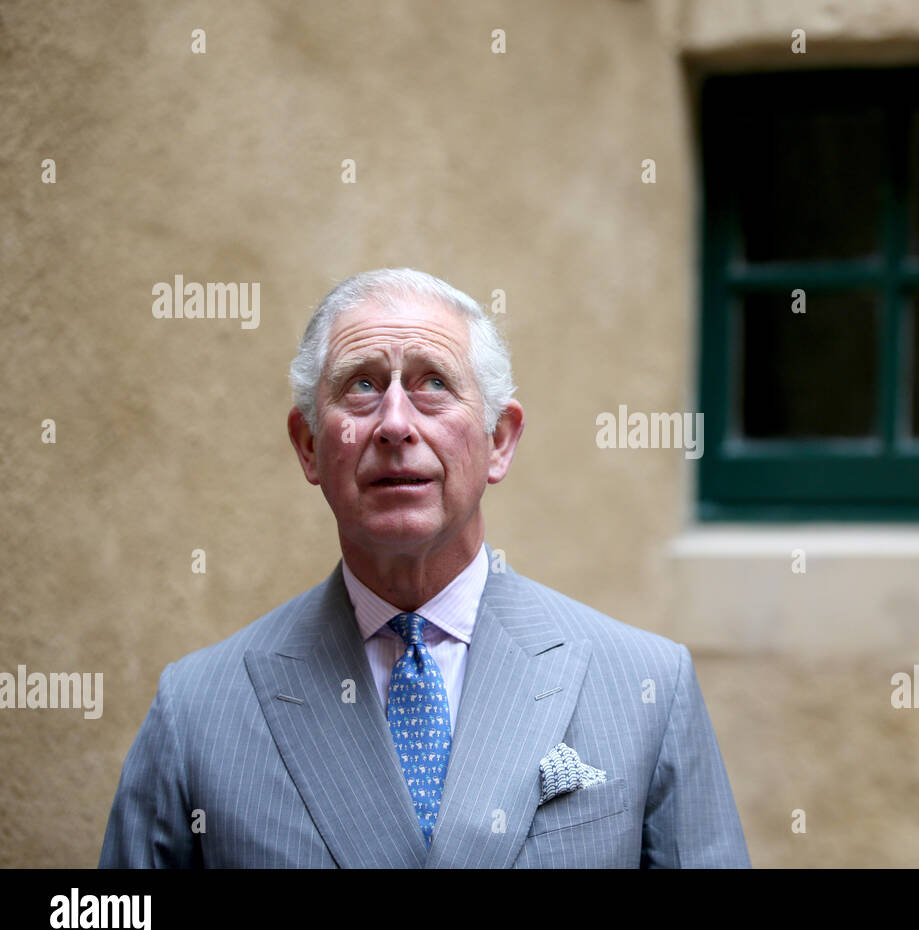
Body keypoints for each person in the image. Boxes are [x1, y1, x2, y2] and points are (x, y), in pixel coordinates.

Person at [98, 268, 749, 868]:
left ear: (499, 441)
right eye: (362, 385)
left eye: (433, 383)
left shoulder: (647, 688)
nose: (395, 424)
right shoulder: (199, 711)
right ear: (309, 447)